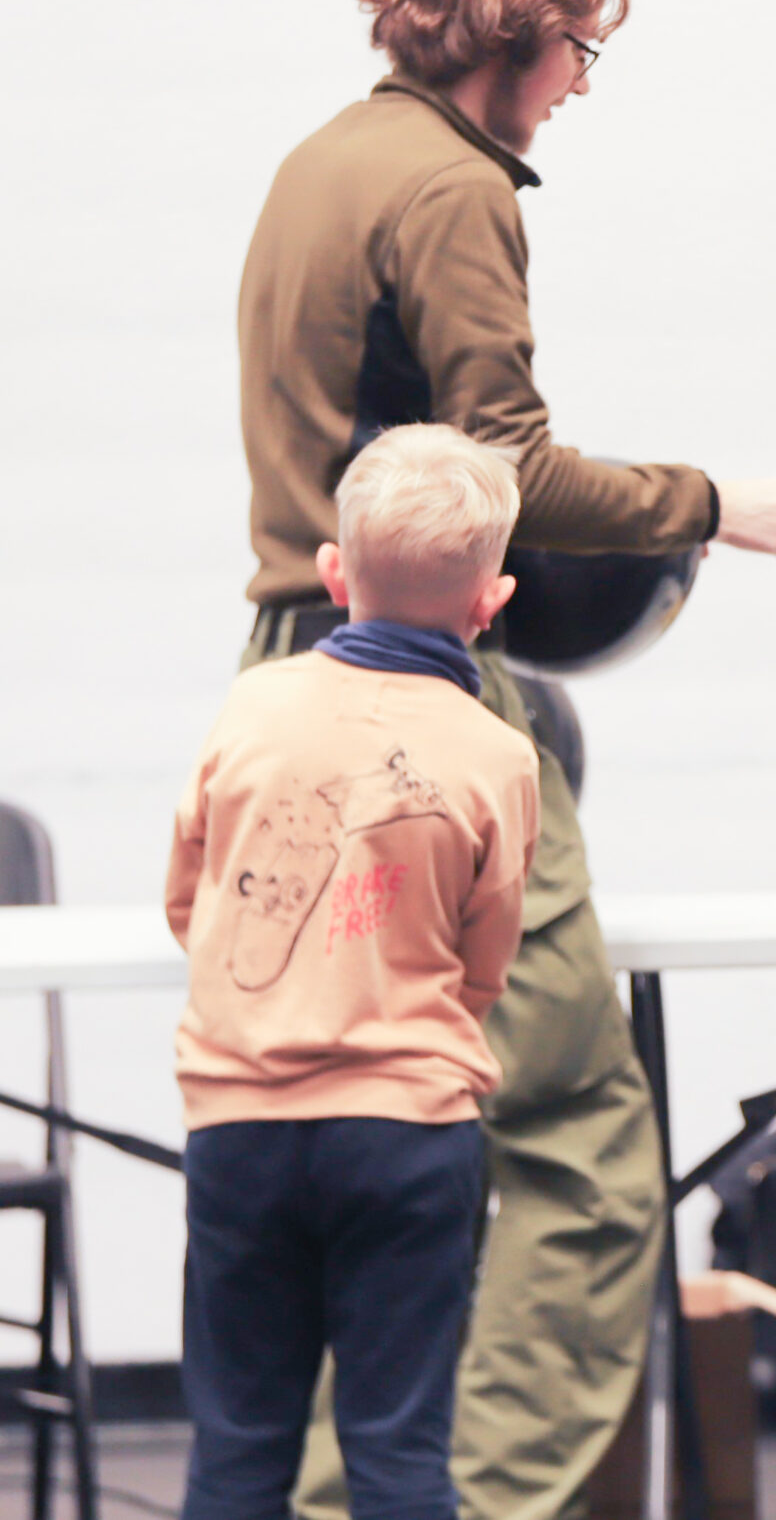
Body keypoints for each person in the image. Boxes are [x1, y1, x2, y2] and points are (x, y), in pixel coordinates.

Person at [232, 0, 776, 1520]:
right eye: (574, 49)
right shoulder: (448, 186)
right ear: (511, 30)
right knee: (569, 1128)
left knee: (369, 1114)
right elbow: (504, 462)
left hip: (293, 664)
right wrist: (715, 502)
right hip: (422, 694)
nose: (575, 82)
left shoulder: (318, 164)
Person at [168, 426, 540, 1520]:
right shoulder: (497, 754)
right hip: (406, 1135)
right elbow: (487, 959)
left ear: (333, 575)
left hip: (239, 1130)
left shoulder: (251, 708)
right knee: (396, 1455)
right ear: (492, 600)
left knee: (236, 1451)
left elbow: (191, 903)